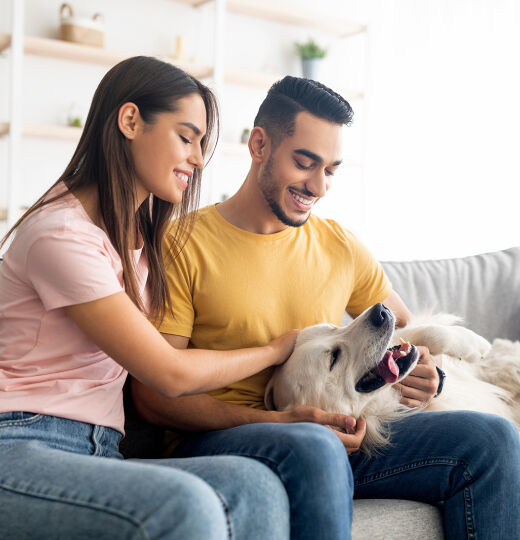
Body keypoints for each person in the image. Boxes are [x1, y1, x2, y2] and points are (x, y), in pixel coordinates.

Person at [129, 75, 520, 539]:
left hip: (336, 437)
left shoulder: (339, 245)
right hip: (223, 442)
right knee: (313, 444)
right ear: (259, 145)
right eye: (304, 162)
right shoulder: (183, 243)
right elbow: (152, 398)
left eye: (331, 170)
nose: (317, 185)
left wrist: (431, 375)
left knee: (491, 440)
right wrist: (276, 421)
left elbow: (401, 331)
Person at [0, 57, 325, 540]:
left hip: (101, 449)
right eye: (187, 137)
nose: (197, 158)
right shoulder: (61, 235)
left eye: (201, 144)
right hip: (22, 441)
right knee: (185, 505)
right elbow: (169, 374)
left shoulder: (144, 240)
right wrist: (280, 348)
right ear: (130, 121)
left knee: (255, 486)